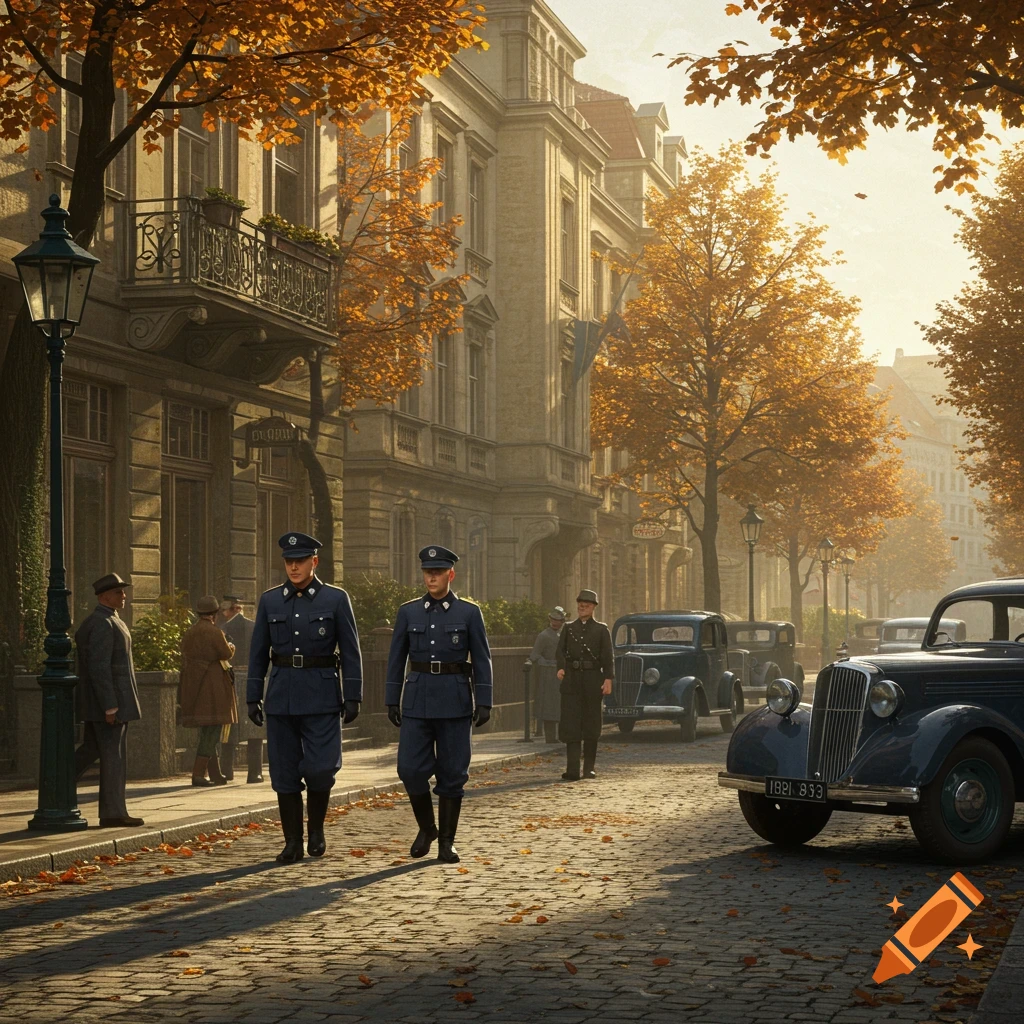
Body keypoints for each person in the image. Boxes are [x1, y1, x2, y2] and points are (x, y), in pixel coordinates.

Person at [246, 532, 363, 863]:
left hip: (323, 696)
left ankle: (317, 831)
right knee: (283, 773)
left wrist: (353, 694)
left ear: (314, 562)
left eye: (300, 561)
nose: (294, 568)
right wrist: (253, 696)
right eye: (288, 562)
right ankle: (293, 841)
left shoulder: (335, 599)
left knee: (321, 769)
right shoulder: (270, 601)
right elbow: (258, 653)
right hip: (281, 696)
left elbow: (351, 651)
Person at [385, 545, 492, 864]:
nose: (431, 577)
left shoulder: (469, 613)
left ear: (451, 574)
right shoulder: (408, 612)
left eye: (437, 572)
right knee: (408, 769)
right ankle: (427, 827)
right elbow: (396, 657)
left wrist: (484, 700)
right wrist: (392, 698)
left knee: (453, 772)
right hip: (417, 701)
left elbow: (482, 658)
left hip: (455, 701)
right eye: (427, 572)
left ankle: (447, 842)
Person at [73, 573, 144, 827]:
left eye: (123, 592)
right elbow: (100, 668)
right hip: (109, 705)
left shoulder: (109, 619)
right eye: (118, 593)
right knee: (114, 758)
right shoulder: (102, 623)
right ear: (104, 596)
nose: (123, 596)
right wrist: (110, 705)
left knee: (91, 750)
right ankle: (113, 813)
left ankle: (59, 785)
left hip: (109, 703)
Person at [556, 589, 614, 781]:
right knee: (571, 725)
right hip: (572, 680)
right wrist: (561, 667)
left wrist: (608, 679)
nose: (582, 607)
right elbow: (560, 651)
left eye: (587, 605)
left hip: (592, 681)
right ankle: (572, 769)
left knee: (591, 725)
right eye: (580, 604)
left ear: (594, 607)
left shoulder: (601, 630)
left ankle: (588, 768)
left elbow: (607, 656)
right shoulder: (569, 628)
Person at [180, 595, 238, 787]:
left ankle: (215, 774)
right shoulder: (214, 632)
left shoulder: (190, 632)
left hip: (195, 686)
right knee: (212, 731)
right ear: (213, 614)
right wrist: (231, 647)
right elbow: (226, 653)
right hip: (212, 686)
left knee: (208, 730)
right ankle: (198, 774)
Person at [220, 595, 263, 783]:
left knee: (229, 726)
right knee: (254, 725)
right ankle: (255, 772)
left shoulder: (222, 629)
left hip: (229, 678)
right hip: (252, 679)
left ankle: (226, 771)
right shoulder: (255, 627)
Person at [529, 607, 566, 742]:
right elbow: (535, 654)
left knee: (563, 705)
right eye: (553, 620)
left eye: (559, 620)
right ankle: (550, 737)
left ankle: (563, 735)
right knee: (549, 706)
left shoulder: (564, 635)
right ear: (550, 620)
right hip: (549, 676)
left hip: (563, 673)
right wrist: (546, 663)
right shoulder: (543, 635)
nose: (556, 623)